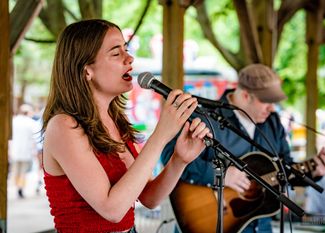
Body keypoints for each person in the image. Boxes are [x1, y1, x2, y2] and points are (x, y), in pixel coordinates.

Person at [41, 19, 212, 233]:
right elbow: (112, 210)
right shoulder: (63, 126)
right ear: (86, 71)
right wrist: (161, 135)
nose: (129, 58)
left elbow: (149, 197)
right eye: (116, 53)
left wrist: (179, 160)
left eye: (126, 49)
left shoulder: (116, 121)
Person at [161, 63, 325, 233]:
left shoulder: (273, 123)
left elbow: (284, 171)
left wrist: (314, 172)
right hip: (211, 222)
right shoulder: (205, 116)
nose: (272, 108)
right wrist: (219, 174)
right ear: (246, 95)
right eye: (266, 101)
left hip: (261, 224)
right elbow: (169, 156)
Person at [9, 104, 39, 198]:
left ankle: (17, 187)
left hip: (15, 150)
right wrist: (35, 151)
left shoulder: (14, 121)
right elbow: (35, 138)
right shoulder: (30, 122)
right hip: (26, 151)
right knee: (23, 171)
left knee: (15, 170)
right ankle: (20, 188)